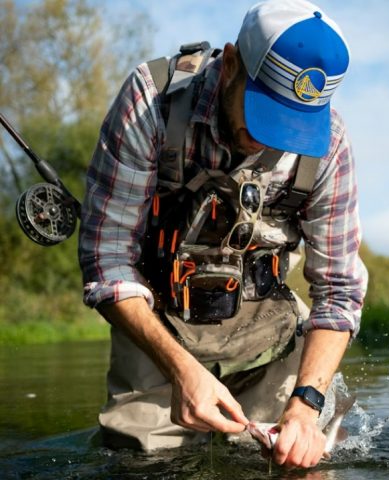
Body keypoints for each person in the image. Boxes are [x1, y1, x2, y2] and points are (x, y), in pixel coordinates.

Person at [79, 0, 368, 470]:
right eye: (263, 115)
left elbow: (339, 292)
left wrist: (307, 402)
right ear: (231, 62)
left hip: (270, 335)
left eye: (292, 126)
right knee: (142, 466)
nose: (271, 141)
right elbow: (106, 259)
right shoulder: (151, 102)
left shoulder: (330, 143)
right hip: (157, 329)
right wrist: (181, 368)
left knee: (296, 462)